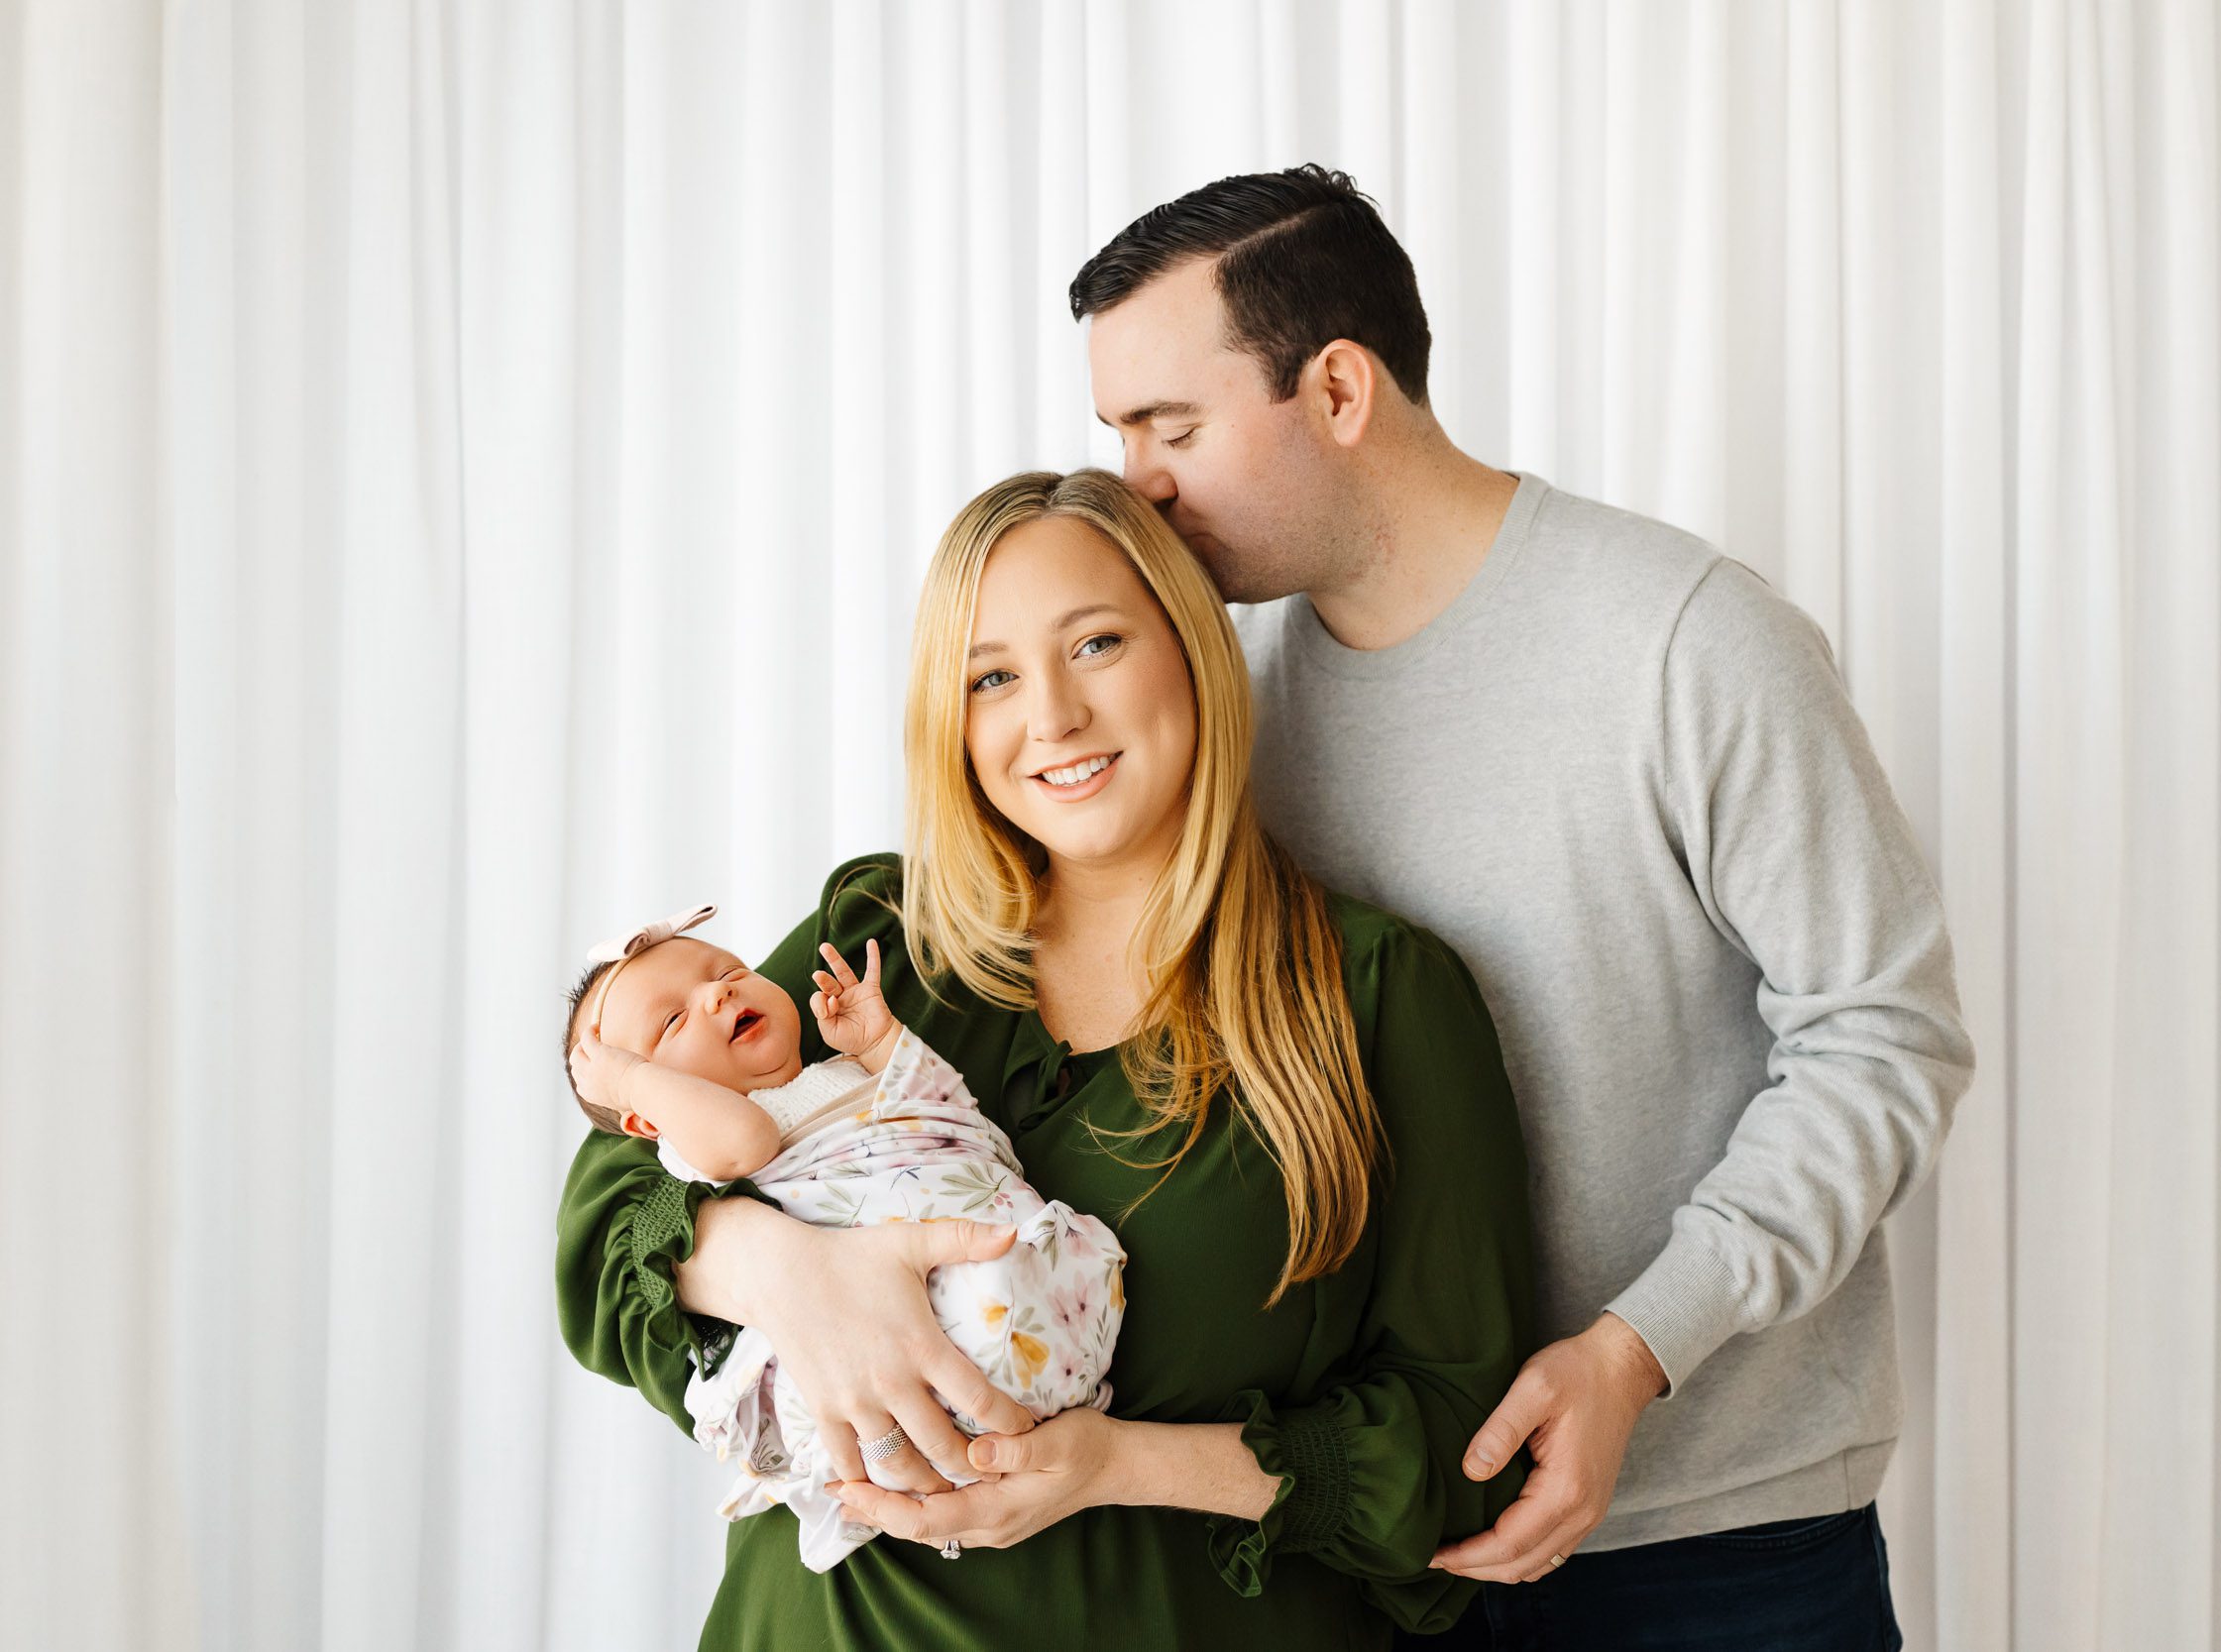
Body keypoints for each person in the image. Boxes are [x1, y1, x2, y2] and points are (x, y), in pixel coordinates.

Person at [1071, 165, 1976, 1649]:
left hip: (1717, 1538)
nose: (1137, 482)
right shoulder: (1219, 712)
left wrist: (1635, 1351)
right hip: (1369, 1541)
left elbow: (1885, 1039)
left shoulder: (1687, 639)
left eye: (1170, 427)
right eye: (1119, 436)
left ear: (1343, 389)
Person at [554, 468, 1538, 1649]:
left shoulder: (1377, 999)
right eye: (993, 677)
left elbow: (1462, 1450)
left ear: (1192, 647)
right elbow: (616, 1185)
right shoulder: (883, 940)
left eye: (1098, 643)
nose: (1053, 716)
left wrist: (1120, 1462)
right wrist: (783, 1274)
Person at [561, 915, 1125, 1572]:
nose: (717, 994)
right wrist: (628, 1081)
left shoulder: (839, 1070)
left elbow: (941, 1105)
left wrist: (882, 1042)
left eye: (727, 971)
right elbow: (748, 1143)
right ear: (648, 1119)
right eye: (672, 1022)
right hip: (923, 1337)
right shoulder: (699, 1143)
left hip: (1028, 1289)